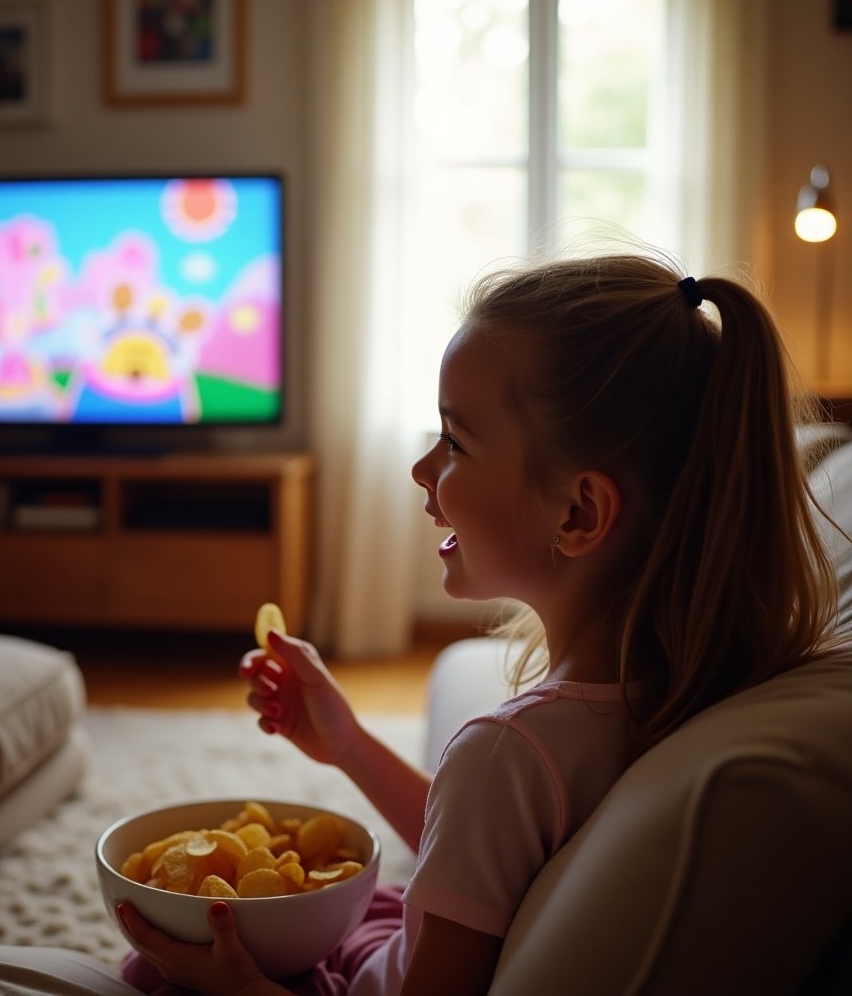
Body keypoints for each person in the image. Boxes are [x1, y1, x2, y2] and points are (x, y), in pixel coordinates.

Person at [116, 250, 840, 996]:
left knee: (155, 964)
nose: (422, 468)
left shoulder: (504, 753)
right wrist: (350, 744)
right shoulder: (690, 678)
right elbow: (484, 851)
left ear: (580, 512)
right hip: (393, 938)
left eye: (456, 442)